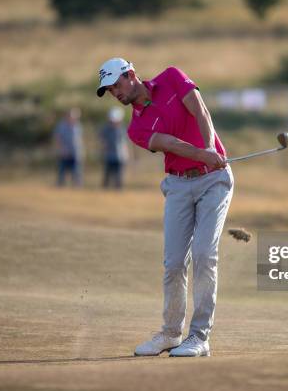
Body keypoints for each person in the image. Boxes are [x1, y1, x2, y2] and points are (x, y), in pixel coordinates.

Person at [96, 57, 234, 357]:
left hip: (214, 181)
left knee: (203, 254)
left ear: (131, 75)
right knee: (173, 263)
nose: (115, 93)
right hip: (178, 186)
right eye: (108, 91)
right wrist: (202, 154)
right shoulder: (136, 128)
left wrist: (210, 148)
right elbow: (170, 143)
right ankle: (171, 334)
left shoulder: (172, 77)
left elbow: (200, 110)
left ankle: (199, 336)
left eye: (116, 85)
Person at [53, 107, 84, 187]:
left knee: (76, 171)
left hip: (76, 152)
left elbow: (79, 139)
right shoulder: (61, 126)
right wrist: (62, 149)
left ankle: (77, 186)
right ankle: (60, 185)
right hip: (65, 152)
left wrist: (81, 151)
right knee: (62, 170)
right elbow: (58, 138)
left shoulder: (78, 126)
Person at [99, 107, 128, 189]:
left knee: (119, 178)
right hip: (109, 156)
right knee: (107, 176)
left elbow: (125, 144)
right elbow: (102, 140)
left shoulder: (122, 129)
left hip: (120, 157)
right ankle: (105, 190)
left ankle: (118, 190)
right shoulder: (106, 129)